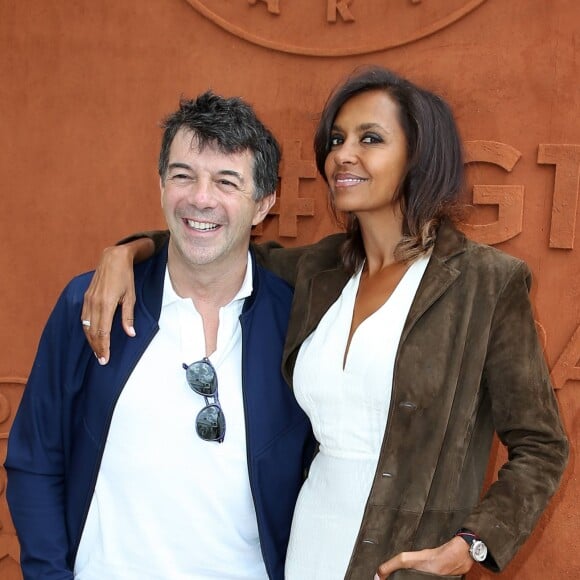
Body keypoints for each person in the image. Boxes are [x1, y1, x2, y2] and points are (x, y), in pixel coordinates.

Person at [79, 66, 569, 580]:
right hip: (309, 546)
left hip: (402, 563)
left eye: (370, 138)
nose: (343, 154)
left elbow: (542, 445)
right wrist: (128, 251)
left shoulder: (486, 284)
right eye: (337, 139)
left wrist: (473, 542)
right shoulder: (322, 270)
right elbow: (217, 247)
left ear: (418, 155)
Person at [5, 92, 315, 580]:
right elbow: (35, 461)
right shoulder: (90, 306)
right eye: (183, 175)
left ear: (264, 204)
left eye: (226, 181)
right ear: (161, 184)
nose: (200, 198)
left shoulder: (297, 325)